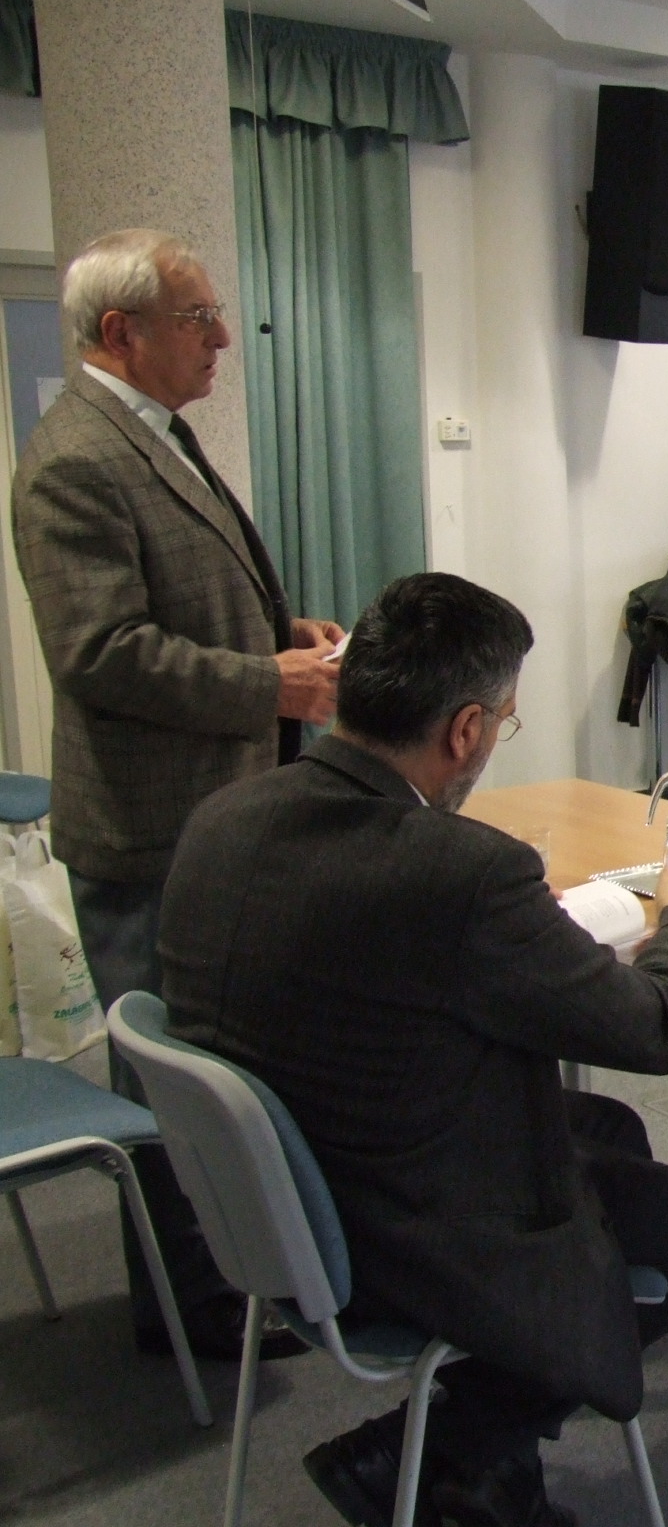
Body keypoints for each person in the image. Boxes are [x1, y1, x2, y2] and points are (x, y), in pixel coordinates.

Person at [159, 573, 668, 1527]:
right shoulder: (458, 871)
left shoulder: (223, 816)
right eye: (505, 721)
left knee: (607, 1129)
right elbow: (655, 1029)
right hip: (394, 1229)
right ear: (466, 730)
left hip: (278, 1196)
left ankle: (492, 1469)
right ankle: (442, 1447)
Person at [10, 227, 343, 1362]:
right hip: (152, 833)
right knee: (171, 1078)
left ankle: (238, 1280)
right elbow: (101, 653)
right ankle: (190, 1309)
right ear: (122, 332)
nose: (221, 338)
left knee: (227, 1059)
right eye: (198, 317)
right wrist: (269, 682)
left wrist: (277, 631)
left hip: (219, 814)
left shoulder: (155, 430)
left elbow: (183, 590)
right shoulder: (74, 457)